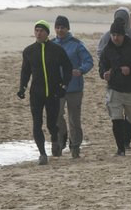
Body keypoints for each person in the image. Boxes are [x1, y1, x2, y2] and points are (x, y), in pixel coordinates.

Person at [18, 20, 73, 165]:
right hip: (36, 93)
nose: (38, 33)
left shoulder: (56, 49)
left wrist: (64, 85)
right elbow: (25, 71)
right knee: (37, 123)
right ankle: (42, 154)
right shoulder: (29, 51)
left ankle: (55, 138)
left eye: (41, 31)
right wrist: (22, 87)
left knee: (51, 123)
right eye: (36, 30)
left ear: (47, 33)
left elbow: (67, 68)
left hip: (54, 93)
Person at [99, 16, 131, 156]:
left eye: (118, 35)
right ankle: (120, 149)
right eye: (113, 35)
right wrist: (104, 74)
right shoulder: (107, 49)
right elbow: (102, 66)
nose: (115, 38)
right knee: (116, 119)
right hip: (114, 89)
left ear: (124, 35)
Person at [52, 15, 94, 159]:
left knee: (74, 119)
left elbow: (89, 61)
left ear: (68, 28)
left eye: (62, 27)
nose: (60, 30)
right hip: (57, 87)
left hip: (74, 88)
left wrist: (81, 70)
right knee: (56, 116)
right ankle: (61, 138)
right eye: (57, 27)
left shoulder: (77, 44)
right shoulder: (51, 44)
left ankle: (75, 146)